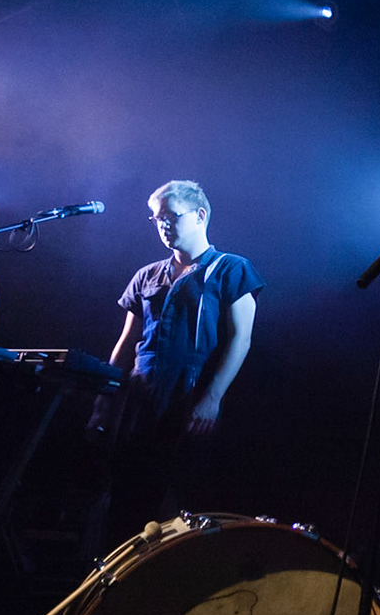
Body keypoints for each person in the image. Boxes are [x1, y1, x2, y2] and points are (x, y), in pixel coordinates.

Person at [95, 180, 262, 544]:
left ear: (200, 215)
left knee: (183, 505)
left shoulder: (230, 269)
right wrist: (105, 398)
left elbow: (241, 338)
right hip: (141, 400)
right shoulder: (146, 275)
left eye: (170, 216)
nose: (163, 225)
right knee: (128, 504)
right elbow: (126, 344)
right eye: (156, 219)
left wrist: (212, 397)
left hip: (190, 398)